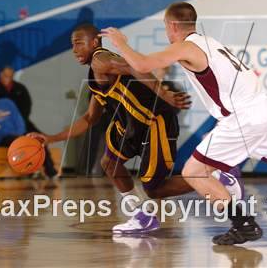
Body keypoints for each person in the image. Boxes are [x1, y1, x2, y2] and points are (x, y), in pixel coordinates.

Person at [100, 1, 267, 244]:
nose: (167, 32)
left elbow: (142, 64)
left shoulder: (186, 46)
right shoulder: (211, 42)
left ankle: (242, 223)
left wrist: (121, 43)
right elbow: (159, 69)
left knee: (193, 172)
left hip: (243, 117)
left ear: (173, 26)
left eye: (166, 27)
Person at [29, 23, 245, 234]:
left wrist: (165, 94)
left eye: (78, 43)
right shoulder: (95, 74)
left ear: (95, 42)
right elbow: (89, 118)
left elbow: (136, 67)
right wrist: (50, 138)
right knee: (110, 163)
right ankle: (142, 216)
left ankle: (217, 176)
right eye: (72, 44)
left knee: (154, 188)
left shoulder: (101, 60)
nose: (74, 49)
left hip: (154, 122)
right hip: (131, 126)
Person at [0, 66, 58, 178]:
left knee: (39, 138)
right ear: (0, 75)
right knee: (22, 143)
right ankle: (30, 171)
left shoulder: (20, 88)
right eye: (5, 76)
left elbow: (27, 106)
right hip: (5, 126)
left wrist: (20, 122)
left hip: (23, 122)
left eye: (10, 76)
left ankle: (50, 170)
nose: (7, 79)